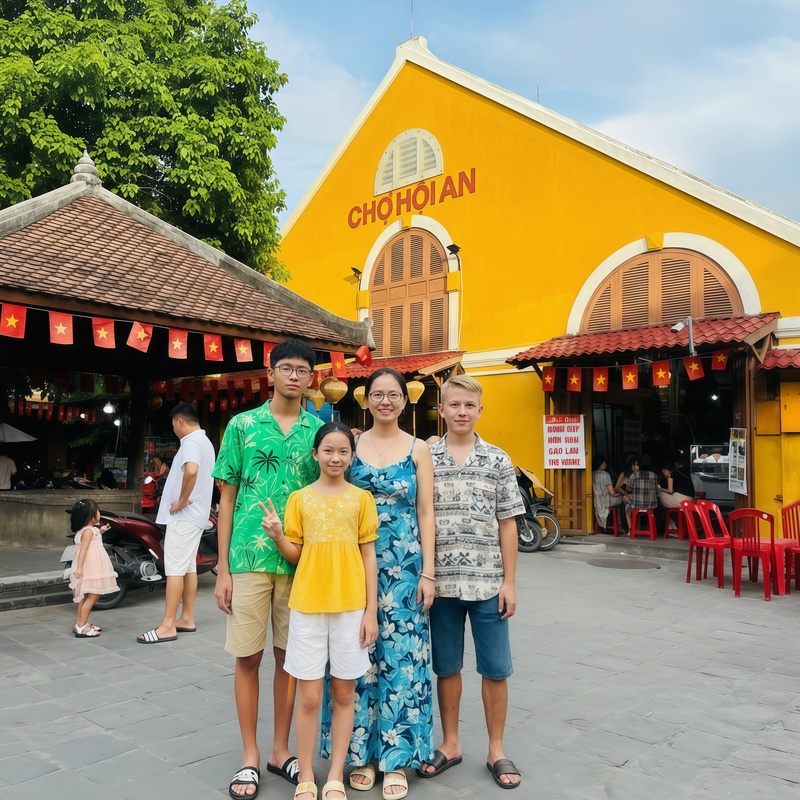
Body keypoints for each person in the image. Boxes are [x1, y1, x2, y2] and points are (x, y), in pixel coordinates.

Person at [213, 340, 322, 800]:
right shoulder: (242, 426)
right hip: (248, 558)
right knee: (248, 656)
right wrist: (221, 569)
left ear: (312, 378)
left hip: (300, 560)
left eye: (302, 370)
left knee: (288, 658)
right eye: (286, 368)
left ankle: (280, 750)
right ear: (270, 373)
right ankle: (250, 755)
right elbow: (226, 499)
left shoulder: (319, 431)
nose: (294, 376)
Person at [329, 367, 435, 800]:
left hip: (406, 565)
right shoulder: (351, 445)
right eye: (378, 394)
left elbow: (426, 511)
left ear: (405, 400)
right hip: (354, 562)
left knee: (404, 659)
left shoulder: (419, 448)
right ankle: (360, 754)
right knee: (358, 654)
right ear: (365, 399)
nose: (385, 401)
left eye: (393, 395)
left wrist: (429, 572)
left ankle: (397, 759)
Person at [260, 422, 379, 800]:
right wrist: (279, 536)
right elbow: (296, 554)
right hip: (308, 607)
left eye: (343, 451)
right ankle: (308, 774)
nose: (335, 457)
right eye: (328, 450)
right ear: (315, 454)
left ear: (351, 456)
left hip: (349, 608)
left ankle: (335, 776)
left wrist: (370, 612)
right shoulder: (300, 499)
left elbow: (368, 556)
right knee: (310, 697)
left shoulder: (361, 499)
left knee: (345, 694)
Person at [419, 375, 524, 790]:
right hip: (440, 583)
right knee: (446, 666)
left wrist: (510, 583)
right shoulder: (425, 456)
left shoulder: (498, 459)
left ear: (480, 411)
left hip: (487, 584)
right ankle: (450, 743)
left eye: (469, 405)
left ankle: (496, 749)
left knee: (495, 670)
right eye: (454, 405)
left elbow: (508, 524)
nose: (462, 412)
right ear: (441, 410)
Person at [137, 402, 215, 644]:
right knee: (188, 567)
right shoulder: (206, 442)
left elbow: (191, 471)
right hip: (196, 516)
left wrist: (181, 502)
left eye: (173, 426)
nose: (174, 430)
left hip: (185, 517)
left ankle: (168, 625)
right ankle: (186, 618)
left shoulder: (191, 441)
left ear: (180, 421)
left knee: (173, 571)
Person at [68, 499, 119, 637]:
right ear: (91, 516)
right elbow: (84, 550)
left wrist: (100, 531)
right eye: (97, 511)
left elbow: (92, 542)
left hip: (91, 564)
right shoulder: (88, 532)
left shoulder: (88, 530)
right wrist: (79, 569)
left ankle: (81, 623)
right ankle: (82, 627)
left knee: (84, 596)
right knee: (93, 595)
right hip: (91, 566)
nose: (99, 513)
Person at [658, 461, 695, 527]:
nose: (664, 474)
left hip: (681, 500)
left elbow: (670, 491)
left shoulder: (671, 475)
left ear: (664, 470)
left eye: (663, 472)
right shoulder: (681, 473)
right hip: (689, 500)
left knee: (659, 494)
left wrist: (660, 488)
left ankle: (671, 527)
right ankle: (671, 527)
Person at [592, 455, 623, 533]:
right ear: (602, 464)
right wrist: (619, 494)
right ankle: (619, 525)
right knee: (622, 499)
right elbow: (612, 492)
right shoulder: (605, 474)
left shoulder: (591, 474)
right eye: (605, 463)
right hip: (606, 502)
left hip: (596, 502)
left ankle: (606, 525)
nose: (605, 465)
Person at [628, 453, 659, 522]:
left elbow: (628, 488)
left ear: (639, 464)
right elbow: (657, 492)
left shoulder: (634, 475)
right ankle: (651, 528)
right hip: (651, 505)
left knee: (626, 502)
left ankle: (630, 528)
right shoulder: (654, 475)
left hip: (636, 504)